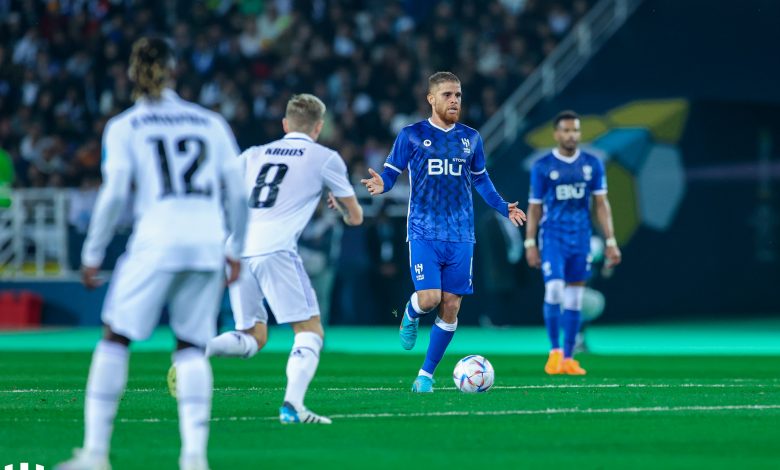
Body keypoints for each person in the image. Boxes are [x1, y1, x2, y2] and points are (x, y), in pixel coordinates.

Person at [56, 37, 248, 470]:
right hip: (206, 243)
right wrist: (235, 246)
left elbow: (113, 194)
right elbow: (237, 192)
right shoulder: (210, 122)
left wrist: (92, 252)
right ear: (175, 70)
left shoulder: (125, 126)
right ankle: (194, 458)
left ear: (131, 74)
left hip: (156, 238)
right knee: (191, 346)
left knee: (116, 336)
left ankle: (95, 454)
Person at [361, 71, 526, 393]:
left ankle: (425, 374)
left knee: (451, 306)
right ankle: (410, 311)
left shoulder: (471, 138)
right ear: (431, 99)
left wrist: (503, 206)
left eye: (458, 95)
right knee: (430, 299)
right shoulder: (411, 135)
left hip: (461, 234)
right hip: (423, 230)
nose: (454, 101)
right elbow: (392, 171)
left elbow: (481, 179)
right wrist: (383, 183)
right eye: (448, 95)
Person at [204, 93, 363, 423]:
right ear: (318, 127)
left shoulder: (253, 154)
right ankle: (293, 406)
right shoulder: (325, 157)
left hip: (237, 249)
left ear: (285, 124)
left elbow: (219, 190)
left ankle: (198, 350)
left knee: (252, 337)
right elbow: (356, 216)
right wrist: (341, 207)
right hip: (276, 248)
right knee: (310, 331)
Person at [524, 110, 622, 376]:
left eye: (575, 130)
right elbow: (534, 208)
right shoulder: (543, 166)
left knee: (575, 298)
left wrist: (610, 240)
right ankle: (554, 353)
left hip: (580, 238)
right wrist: (530, 243)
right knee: (554, 291)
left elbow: (601, 205)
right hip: (553, 236)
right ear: (557, 134)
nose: (571, 135)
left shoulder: (593, 163)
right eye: (566, 130)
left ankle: (568, 357)